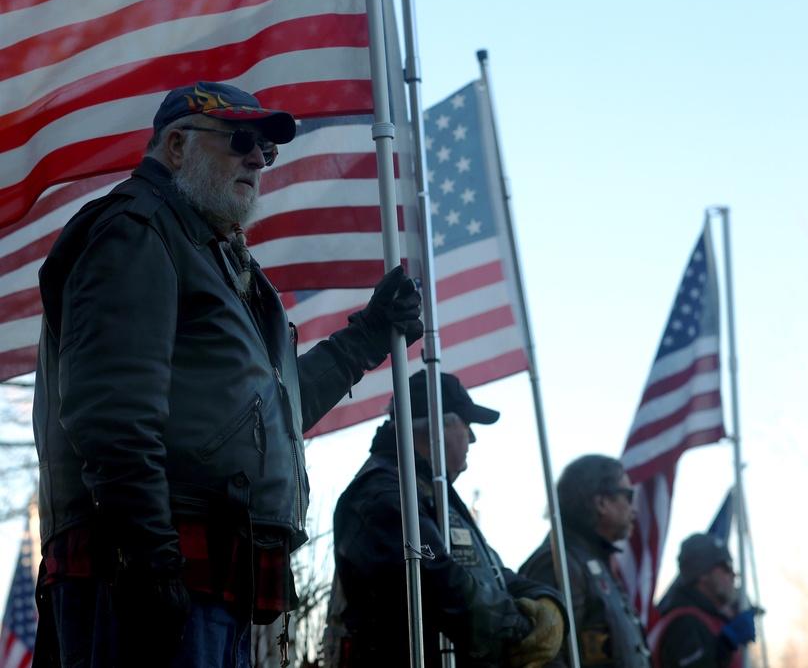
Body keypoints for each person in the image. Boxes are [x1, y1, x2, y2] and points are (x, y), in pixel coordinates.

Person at [31, 80, 423, 667]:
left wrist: (366, 337)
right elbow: (110, 411)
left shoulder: (215, 258)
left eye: (265, 149)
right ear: (177, 147)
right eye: (240, 139)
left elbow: (267, 411)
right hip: (143, 570)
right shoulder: (136, 229)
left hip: (206, 574)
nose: (257, 158)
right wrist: (150, 553)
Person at [330, 369, 567, 667]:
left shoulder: (428, 490)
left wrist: (546, 601)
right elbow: (435, 578)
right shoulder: (383, 493)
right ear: (437, 427)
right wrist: (520, 629)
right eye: (467, 424)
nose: (473, 437)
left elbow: (489, 572)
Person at [519, 454, 652, 667]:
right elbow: (545, 657)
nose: (634, 509)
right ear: (601, 502)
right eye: (628, 496)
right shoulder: (558, 563)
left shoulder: (591, 560)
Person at [652, 533, 757, 668]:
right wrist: (726, 643)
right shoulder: (685, 623)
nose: (733, 575)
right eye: (726, 567)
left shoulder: (705, 619)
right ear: (703, 574)